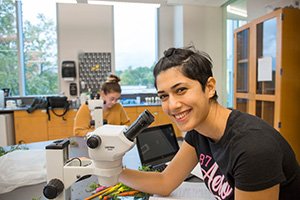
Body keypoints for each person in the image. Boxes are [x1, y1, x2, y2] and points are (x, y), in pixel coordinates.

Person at [119, 46, 300, 199]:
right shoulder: (199, 132)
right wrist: (111, 171)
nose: (172, 105)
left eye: (181, 90)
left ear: (210, 87)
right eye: (164, 96)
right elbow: (165, 182)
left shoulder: (253, 148)